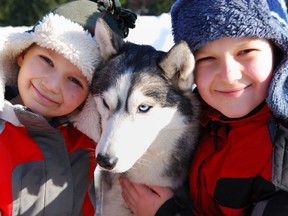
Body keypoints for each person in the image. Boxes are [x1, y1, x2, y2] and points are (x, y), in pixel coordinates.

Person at [119, 0, 288, 215]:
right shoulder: (197, 120)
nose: (229, 76)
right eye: (207, 58)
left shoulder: (282, 151)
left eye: (245, 51)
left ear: (279, 51)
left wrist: (166, 212)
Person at [0, 0, 136, 215]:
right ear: (22, 53)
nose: (52, 85)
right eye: (47, 60)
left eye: (75, 80)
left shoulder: (93, 142)